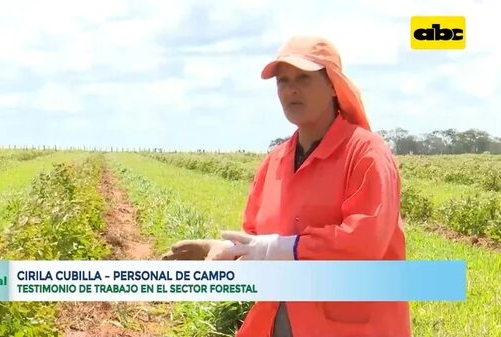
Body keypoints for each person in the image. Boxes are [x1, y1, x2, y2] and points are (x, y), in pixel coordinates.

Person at [161, 35, 411, 337]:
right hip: (282, 320)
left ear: (333, 85)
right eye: (282, 81)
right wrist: (224, 249)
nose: (291, 89)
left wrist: (285, 247)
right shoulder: (274, 162)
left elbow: (365, 242)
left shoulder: (366, 153)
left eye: (303, 78)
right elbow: (258, 241)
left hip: (351, 326)